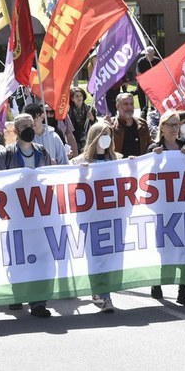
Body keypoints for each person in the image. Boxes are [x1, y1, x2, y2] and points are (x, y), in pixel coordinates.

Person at [0, 114, 53, 317]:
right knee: (18, 255)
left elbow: (51, 178)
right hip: (16, 214)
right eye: (24, 126)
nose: (29, 128)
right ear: (16, 131)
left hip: (38, 213)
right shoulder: (5, 155)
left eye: (31, 125)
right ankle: (17, 293)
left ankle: (38, 301)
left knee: (40, 255)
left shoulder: (42, 152)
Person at [71, 122, 122, 313]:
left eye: (109, 134)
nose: (106, 138)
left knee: (108, 257)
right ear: (93, 137)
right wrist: (81, 175)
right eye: (102, 134)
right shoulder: (79, 162)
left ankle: (103, 293)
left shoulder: (118, 160)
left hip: (112, 217)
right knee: (95, 257)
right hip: (90, 218)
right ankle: (101, 292)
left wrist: (133, 166)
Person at [147, 110, 185, 306]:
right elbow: (145, 177)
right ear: (162, 128)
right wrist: (153, 160)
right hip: (163, 207)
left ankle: (183, 291)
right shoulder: (154, 148)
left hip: (184, 206)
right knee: (164, 248)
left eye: (177, 125)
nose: (175, 128)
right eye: (171, 125)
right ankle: (158, 281)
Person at [111, 92, 152, 158]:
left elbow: (149, 144)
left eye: (131, 104)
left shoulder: (142, 124)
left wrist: (156, 147)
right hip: (119, 165)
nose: (129, 107)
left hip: (141, 166)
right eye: (125, 104)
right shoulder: (110, 125)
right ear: (117, 106)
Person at [133, 46, 160, 118]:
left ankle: (156, 113)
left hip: (154, 83)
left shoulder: (157, 60)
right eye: (148, 53)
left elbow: (161, 71)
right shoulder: (141, 61)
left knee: (156, 99)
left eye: (151, 53)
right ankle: (143, 115)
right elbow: (139, 73)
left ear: (154, 53)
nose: (149, 54)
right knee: (142, 100)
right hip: (143, 83)